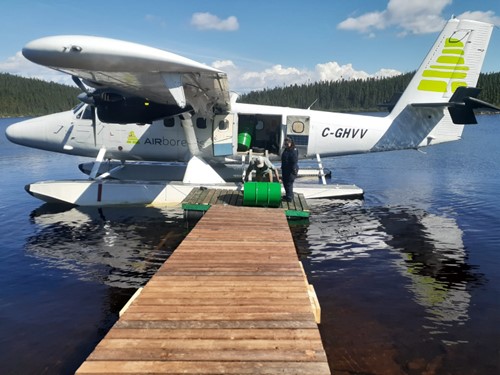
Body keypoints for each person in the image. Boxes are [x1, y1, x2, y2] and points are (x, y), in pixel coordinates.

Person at [281, 137, 299, 202]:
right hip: (285, 169)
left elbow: (294, 161)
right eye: (285, 144)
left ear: (291, 143)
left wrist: (294, 170)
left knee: (289, 183)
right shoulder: (287, 149)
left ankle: (289, 197)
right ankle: (289, 195)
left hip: (290, 170)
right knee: (285, 183)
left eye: (287, 144)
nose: (286, 145)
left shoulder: (293, 150)